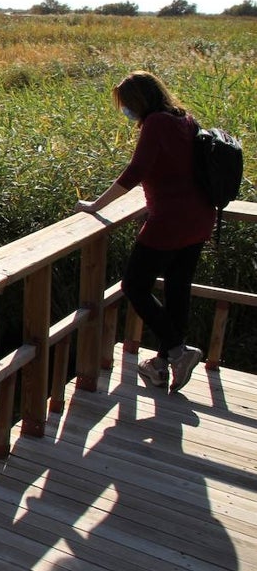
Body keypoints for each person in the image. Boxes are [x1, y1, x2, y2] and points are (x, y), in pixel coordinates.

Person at [75, 71, 215, 393]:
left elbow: (136, 171)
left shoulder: (156, 124)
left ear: (139, 101)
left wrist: (97, 206)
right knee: (178, 289)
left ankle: (179, 351)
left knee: (134, 286)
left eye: (126, 104)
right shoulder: (185, 120)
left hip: (171, 220)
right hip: (199, 218)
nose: (125, 111)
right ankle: (163, 366)